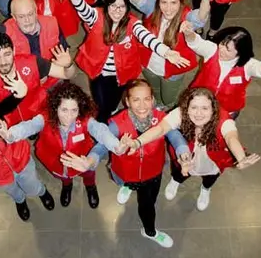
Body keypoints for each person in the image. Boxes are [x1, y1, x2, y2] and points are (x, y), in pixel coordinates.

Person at [54, 0, 188, 123]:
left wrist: (166, 52)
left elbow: (147, 38)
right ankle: (103, 119)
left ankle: (109, 111)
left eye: (122, 6)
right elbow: (82, 8)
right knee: (101, 103)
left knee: (115, 98)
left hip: (122, 74)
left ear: (127, 8)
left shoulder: (133, 23)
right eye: (113, 5)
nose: (117, 10)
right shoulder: (97, 16)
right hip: (99, 72)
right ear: (106, 6)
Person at [70, 79, 191, 247]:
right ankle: (132, 195)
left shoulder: (161, 119)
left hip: (153, 172)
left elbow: (175, 136)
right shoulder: (117, 123)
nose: (142, 105)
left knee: (149, 202)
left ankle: (149, 231)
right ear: (127, 101)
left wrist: (183, 152)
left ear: (152, 100)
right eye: (136, 100)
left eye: (147, 99)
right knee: (134, 190)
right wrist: (90, 161)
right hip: (126, 171)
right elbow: (102, 145)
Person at [125, 87, 260, 211]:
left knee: (210, 177)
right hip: (187, 156)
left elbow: (231, 138)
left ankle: (205, 189)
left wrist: (241, 158)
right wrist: (137, 142)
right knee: (180, 172)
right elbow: (160, 129)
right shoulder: (179, 113)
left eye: (205, 108)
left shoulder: (224, 120)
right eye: (194, 107)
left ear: (213, 109)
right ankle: (176, 181)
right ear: (186, 107)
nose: (199, 113)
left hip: (214, 158)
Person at [0, 81, 125, 209]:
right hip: (54, 163)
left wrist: (116, 146)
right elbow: (28, 126)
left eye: (74, 110)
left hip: (83, 160)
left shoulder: (85, 120)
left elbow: (101, 131)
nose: (69, 116)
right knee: (63, 177)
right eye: (64, 110)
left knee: (89, 175)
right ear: (55, 107)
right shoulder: (44, 118)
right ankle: (67, 186)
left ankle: (90, 187)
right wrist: (10, 135)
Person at [115, 0, 223, 108]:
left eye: (173, 3)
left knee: (168, 98)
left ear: (180, 3)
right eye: (163, 2)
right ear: (158, 2)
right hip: (148, 63)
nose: (168, 8)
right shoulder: (153, 9)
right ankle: (157, 103)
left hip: (173, 70)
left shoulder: (186, 16)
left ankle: (164, 105)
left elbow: (200, 17)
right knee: (154, 89)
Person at [179, 23, 261, 119]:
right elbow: (197, 43)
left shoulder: (247, 65)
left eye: (228, 49)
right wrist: (189, 33)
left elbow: (259, 68)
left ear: (240, 52)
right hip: (199, 100)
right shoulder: (212, 50)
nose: (221, 50)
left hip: (226, 109)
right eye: (222, 44)